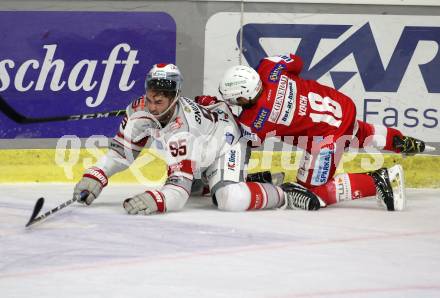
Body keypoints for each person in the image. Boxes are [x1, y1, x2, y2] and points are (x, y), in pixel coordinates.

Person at [72, 63, 322, 215]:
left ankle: (284, 193)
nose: (152, 107)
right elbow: (121, 153)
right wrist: (96, 175)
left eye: (159, 102)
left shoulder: (184, 129)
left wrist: (158, 199)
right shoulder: (138, 110)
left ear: (174, 98)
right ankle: (246, 179)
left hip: (227, 144)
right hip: (202, 153)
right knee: (195, 188)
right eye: (149, 98)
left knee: (228, 199)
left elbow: (177, 193)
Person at [196, 54, 434, 211]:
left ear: (245, 95)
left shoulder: (257, 118)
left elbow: (246, 138)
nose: (235, 103)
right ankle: (399, 140)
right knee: (358, 132)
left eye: (235, 99)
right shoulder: (269, 68)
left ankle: (381, 181)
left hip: (328, 137)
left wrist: (217, 105)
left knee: (312, 192)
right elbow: (296, 62)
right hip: (340, 106)